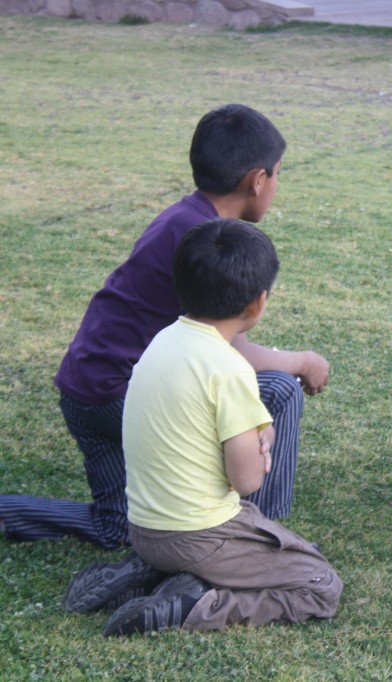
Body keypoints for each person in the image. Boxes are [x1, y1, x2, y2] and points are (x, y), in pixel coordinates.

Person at [0, 104, 329, 559]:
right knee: (278, 389)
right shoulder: (206, 238)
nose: (276, 185)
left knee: (116, 526)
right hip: (120, 397)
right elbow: (234, 352)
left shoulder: (185, 217)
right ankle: (256, 535)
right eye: (277, 174)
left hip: (86, 391)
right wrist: (304, 363)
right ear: (257, 180)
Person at [94, 218, 341, 636]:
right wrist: (263, 450)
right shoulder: (228, 368)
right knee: (320, 583)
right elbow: (245, 481)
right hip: (198, 535)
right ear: (258, 303)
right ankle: (197, 604)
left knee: (272, 543)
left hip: (145, 528)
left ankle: (148, 573)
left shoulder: (163, 339)